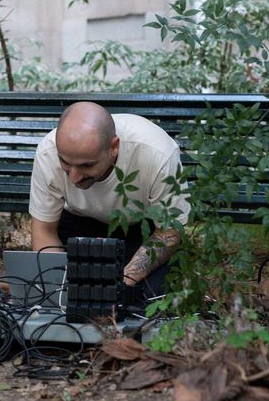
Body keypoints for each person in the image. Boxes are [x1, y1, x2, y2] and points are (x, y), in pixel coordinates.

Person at [28, 102, 190, 296]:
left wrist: (120, 285)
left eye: (87, 165)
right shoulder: (47, 151)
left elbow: (169, 232)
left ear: (114, 147)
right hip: (78, 225)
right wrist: (62, 288)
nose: (74, 178)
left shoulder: (157, 153)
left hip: (140, 230)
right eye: (65, 163)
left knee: (148, 298)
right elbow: (44, 231)